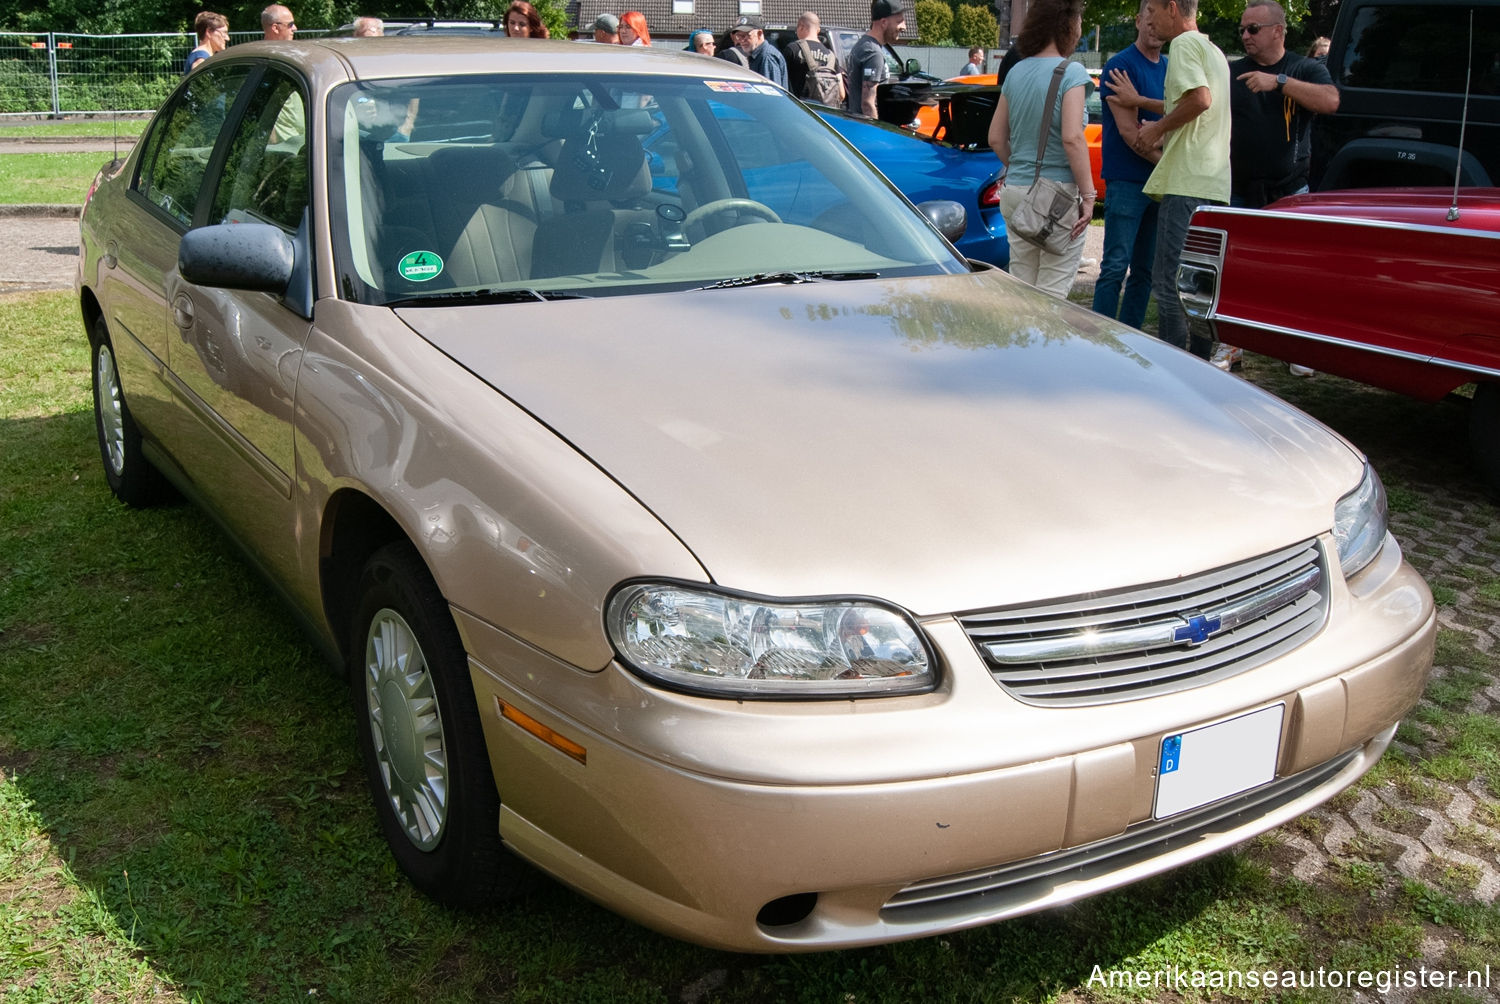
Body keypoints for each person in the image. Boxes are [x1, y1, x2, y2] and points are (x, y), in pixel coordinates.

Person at [1127, 0, 1230, 360]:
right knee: (1200, 287)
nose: (1148, 19)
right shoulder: (1213, 50)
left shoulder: (1183, 45)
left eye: (1152, 10)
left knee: (1169, 284)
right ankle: (1201, 364)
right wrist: (1150, 107)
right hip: (1215, 185)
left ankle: (1175, 369)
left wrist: (1157, 129)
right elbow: (1196, 102)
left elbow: (1200, 100)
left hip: (1186, 184)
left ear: (1172, 7)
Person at [987, 0, 1095, 298]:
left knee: (1022, 291)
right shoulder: (1072, 73)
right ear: (1068, 26)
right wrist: (1089, 196)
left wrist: (1022, 167)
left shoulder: (1016, 72)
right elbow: (1072, 138)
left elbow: (996, 138)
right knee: (1051, 295)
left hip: (1015, 191)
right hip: (1057, 198)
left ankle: (1018, 343)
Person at [1091, 1, 1166, 329]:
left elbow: (1176, 124)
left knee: (1145, 271)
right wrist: (1168, 162)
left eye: (1158, 19)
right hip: (1127, 182)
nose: (1153, 26)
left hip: (1157, 182)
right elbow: (1128, 133)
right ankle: (1103, 339)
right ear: (1137, 20)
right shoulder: (1120, 66)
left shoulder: (1170, 68)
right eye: (1147, 18)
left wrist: (1157, 141)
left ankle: (1132, 338)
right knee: (1114, 266)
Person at [1230, 2, 1338, 207]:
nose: (1245, 36)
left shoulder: (1304, 68)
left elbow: (1331, 101)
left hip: (1289, 192)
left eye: (1253, 29)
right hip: (1237, 192)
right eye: (1242, 30)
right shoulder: (1232, 72)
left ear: (1277, 31)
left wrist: (1279, 82)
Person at [846, 0, 905, 117]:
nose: (904, 27)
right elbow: (868, 104)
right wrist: (876, 132)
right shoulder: (873, 53)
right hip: (865, 129)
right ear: (883, 22)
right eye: (899, 22)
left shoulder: (863, 44)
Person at [783, 12, 843, 103]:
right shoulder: (831, 56)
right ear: (818, 30)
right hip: (823, 114)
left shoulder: (792, 49)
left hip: (799, 111)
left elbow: (780, 84)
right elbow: (842, 94)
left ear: (801, 27)